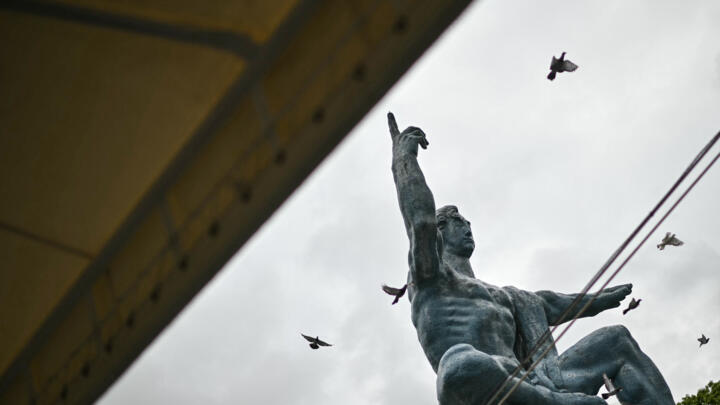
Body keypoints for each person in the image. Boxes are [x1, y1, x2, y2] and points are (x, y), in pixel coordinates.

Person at [387, 112, 674, 405]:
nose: (468, 226)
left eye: (468, 222)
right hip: (481, 389)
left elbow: (549, 302)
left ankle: (551, 398)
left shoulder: (504, 296)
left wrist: (598, 300)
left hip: (532, 383)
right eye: (459, 221)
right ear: (441, 231)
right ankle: (552, 401)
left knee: (617, 340)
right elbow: (420, 221)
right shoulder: (429, 278)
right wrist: (403, 161)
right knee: (459, 363)